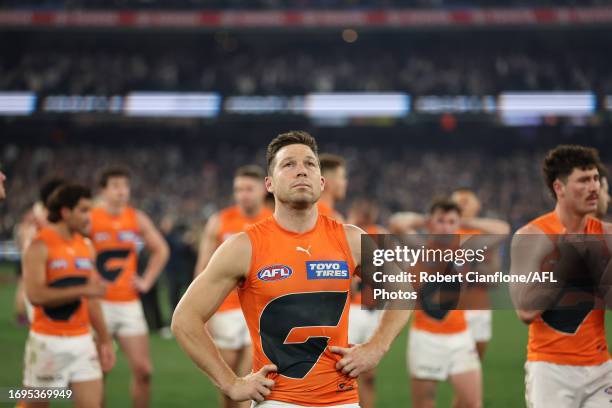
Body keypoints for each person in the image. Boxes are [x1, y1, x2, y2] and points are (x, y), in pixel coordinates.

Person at [172, 130, 411, 407]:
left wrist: (376, 347)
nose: (301, 171)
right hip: (277, 400)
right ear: (269, 184)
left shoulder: (351, 239)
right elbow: (185, 318)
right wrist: (230, 382)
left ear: (322, 183)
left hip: (341, 400)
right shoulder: (244, 247)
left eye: (310, 164)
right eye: (289, 164)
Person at [510, 145, 612, 408]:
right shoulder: (531, 237)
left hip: (600, 368)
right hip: (550, 369)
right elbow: (525, 311)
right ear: (559, 188)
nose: (593, 187)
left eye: (594, 179)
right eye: (583, 180)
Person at [22, 184, 115, 408]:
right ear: (65, 212)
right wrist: (83, 290)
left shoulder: (86, 246)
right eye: (83, 210)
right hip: (46, 343)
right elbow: (35, 295)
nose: (88, 217)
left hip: (82, 341)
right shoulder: (39, 245)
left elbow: (92, 300)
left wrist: (105, 340)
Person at [194, 164, 272, 408]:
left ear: (263, 189)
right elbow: (203, 271)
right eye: (238, 189)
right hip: (226, 310)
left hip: (260, 312)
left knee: (251, 381)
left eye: (249, 189)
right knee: (228, 386)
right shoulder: (219, 221)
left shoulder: (274, 220)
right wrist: (204, 315)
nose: (243, 194)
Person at [90, 166, 169, 408]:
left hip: (128, 304)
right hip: (97, 304)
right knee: (97, 373)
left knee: (144, 370)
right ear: (103, 190)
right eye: (115, 186)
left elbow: (161, 250)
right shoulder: (90, 217)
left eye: (125, 186)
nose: (121, 191)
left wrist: (146, 281)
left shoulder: (135, 217)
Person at [407, 199, 482, 408]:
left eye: (452, 221)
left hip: (461, 335)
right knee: (424, 404)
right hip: (426, 336)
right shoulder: (418, 249)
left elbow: (502, 229)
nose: (446, 226)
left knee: (472, 403)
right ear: (430, 223)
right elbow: (398, 224)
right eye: (440, 221)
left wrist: (467, 220)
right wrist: (424, 221)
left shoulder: (465, 248)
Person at [451, 188, 510, 359]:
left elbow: (493, 278)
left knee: (476, 361)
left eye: (466, 201)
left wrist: (469, 222)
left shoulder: (485, 235)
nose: (462, 205)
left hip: (478, 307)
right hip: (452, 310)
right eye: (458, 201)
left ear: (477, 205)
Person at [345, 197, 387, 408]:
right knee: (344, 371)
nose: (364, 214)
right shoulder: (344, 234)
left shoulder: (379, 235)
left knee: (369, 375)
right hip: (351, 311)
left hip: (373, 312)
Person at [318, 153, 347, 222]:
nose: (345, 183)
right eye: (341, 177)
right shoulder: (333, 220)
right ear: (326, 181)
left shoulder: (306, 213)